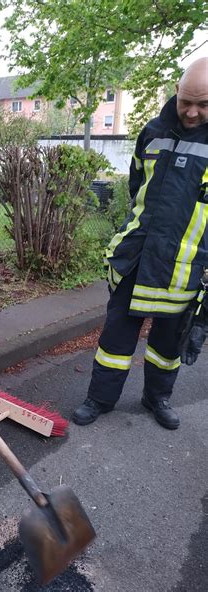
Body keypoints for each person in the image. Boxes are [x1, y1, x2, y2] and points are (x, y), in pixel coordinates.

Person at [72, 57, 208, 430]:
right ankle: (100, 398)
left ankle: (157, 398)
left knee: (168, 347)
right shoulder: (152, 132)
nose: (192, 112)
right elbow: (137, 189)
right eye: (187, 102)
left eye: (204, 104)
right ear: (176, 92)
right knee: (114, 340)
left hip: (185, 269)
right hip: (136, 258)